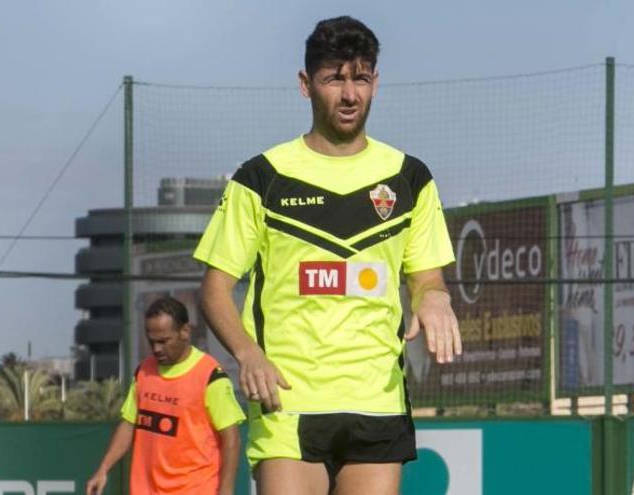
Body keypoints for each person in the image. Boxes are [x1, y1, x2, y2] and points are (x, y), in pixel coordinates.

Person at [195, 15, 461, 495]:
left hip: (377, 399)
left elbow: (427, 278)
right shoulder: (262, 177)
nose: (349, 94)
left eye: (360, 77)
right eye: (334, 78)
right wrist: (247, 352)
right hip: (288, 399)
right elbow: (214, 289)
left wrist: (435, 297)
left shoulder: (409, 177)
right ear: (305, 84)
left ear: (375, 82)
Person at [86, 297, 245, 495]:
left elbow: (232, 438)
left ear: (185, 332)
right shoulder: (144, 370)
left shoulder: (210, 376)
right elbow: (128, 423)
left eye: (163, 341)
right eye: (151, 341)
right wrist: (103, 469)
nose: (156, 349)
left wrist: (226, 490)